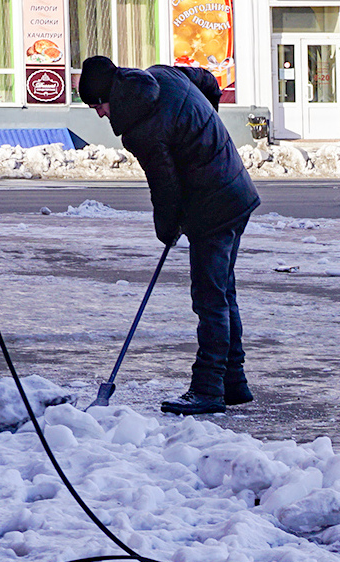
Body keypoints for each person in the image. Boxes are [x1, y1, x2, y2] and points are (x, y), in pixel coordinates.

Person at [78, 55, 260, 416]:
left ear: (110, 95)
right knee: (223, 290)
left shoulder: (141, 129)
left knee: (209, 297)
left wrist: (167, 228)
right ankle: (232, 381)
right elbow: (208, 81)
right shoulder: (162, 74)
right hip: (234, 188)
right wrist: (206, 131)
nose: (99, 114)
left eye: (98, 105)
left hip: (213, 204)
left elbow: (165, 187)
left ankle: (208, 388)